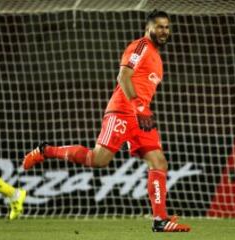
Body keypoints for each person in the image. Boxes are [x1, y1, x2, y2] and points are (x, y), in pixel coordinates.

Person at [23, 10, 190, 232]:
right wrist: (139, 107)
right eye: (159, 26)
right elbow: (123, 76)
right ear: (148, 27)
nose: (164, 31)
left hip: (141, 117)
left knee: (159, 162)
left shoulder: (157, 58)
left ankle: (160, 220)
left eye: (167, 27)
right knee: (98, 159)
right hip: (122, 111)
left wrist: (142, 110)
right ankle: (46, 151)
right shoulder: (140, 46)